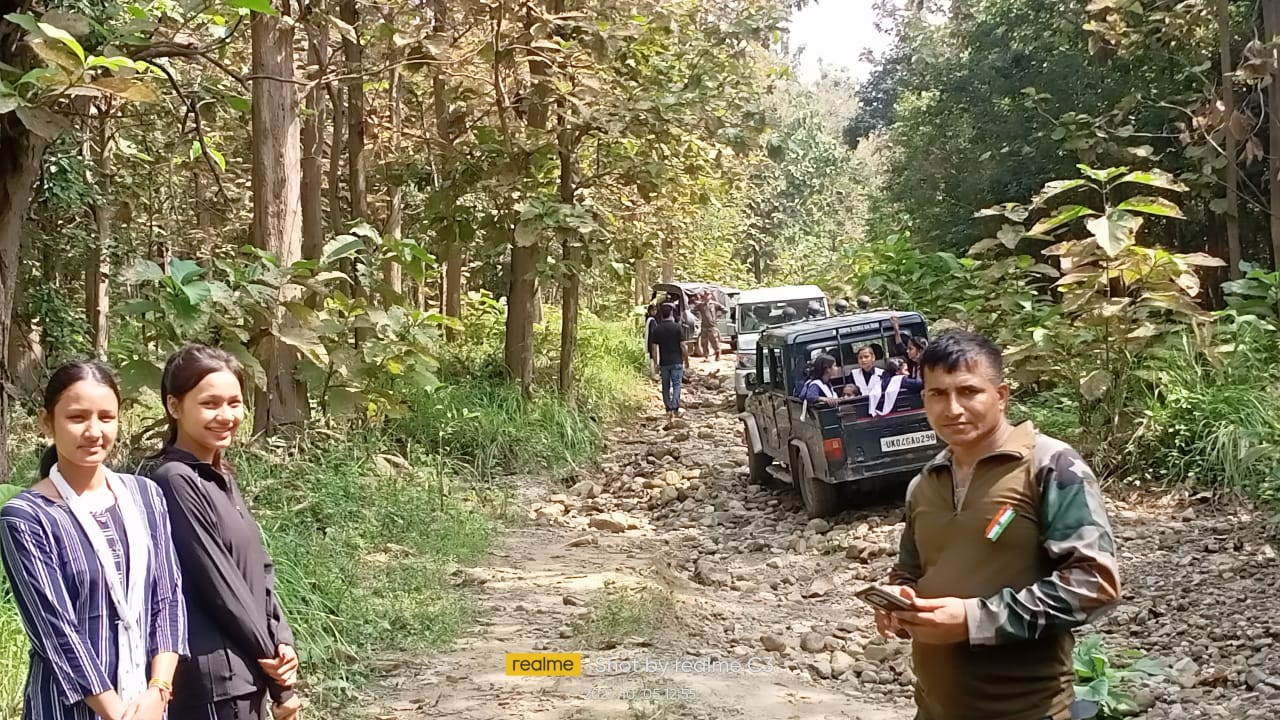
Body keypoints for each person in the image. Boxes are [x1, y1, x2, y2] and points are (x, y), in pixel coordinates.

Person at [875, 332, 1120, 720]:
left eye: (968, 391)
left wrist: (974, 620)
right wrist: (899, 602)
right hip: (934, 708)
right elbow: (911, 570)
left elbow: (1095, 585)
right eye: (937, 394)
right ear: (924, 400)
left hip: (1027, 709)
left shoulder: (1050, 467)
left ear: (1001, 395)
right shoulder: (924, 483)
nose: (953, 408)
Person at [1, 362, 187, 720]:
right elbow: (57, 632)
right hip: (69, 709)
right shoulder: (27, 516)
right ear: (46, 421)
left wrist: (159, 689)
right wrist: (117, 714)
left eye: (106, 417)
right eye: (77, 417)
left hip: (148, 704)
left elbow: (168, 598)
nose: (93, 431)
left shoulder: (146, 495)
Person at [145, 346, 302, 720]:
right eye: (210, 404)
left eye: (235, 403)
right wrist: (280, 682)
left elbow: (260, 571)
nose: (226, 415)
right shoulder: (175, 481)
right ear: (174, 406)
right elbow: (223, 589)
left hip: (248, 674)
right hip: (215, 686)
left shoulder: (220, 477)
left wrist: (283, 640)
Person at [648, 304, 689, 419]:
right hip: (677, 361)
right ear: (671, 314)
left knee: (665, 386)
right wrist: (686, 360)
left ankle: (668, 409)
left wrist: (655, 363)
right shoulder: (677, 328)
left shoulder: (657, 329)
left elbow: (654, 348)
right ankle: (675, 408)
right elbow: (683, 346)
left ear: (661, 315)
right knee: (677, 385)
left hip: (664, 362)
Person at [891, 315, 929, 379]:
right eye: (908, 348)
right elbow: (900, 345)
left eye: (910, 349)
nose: (907, 351)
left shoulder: (928, 366)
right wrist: (896, 329)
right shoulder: (913, 362)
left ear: (920, 351)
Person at [692, 290, 726, 361]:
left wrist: (718, 316)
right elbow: (693, 310)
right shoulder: (701, 305)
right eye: (706, 294)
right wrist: (697, 317)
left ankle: (717, 354)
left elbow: (724, 310)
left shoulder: (714, 304)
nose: (707, 296)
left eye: (708, 294)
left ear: (710, 295)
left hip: (712, 326)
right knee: (704, 342)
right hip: (704, 326)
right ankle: (706, 356)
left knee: (714, 341)